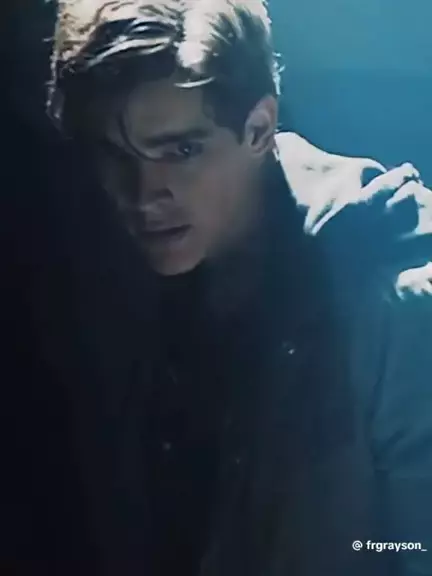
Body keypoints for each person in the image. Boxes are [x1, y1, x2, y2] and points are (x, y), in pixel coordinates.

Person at [46, 1, 432, 575]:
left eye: (182, 151)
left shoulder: (395, 302)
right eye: (116, 154)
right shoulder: (105, 275)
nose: (145, 193)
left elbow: (417, 549)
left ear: (258, 129)